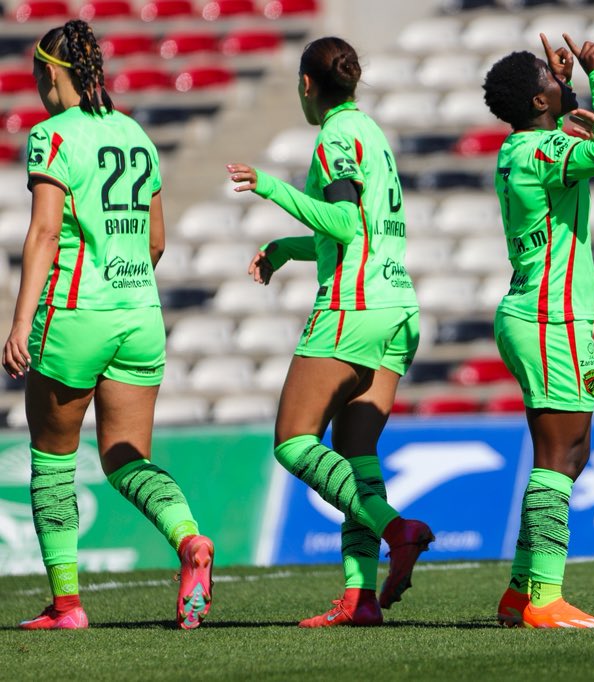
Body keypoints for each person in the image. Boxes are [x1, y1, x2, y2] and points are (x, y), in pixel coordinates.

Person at [2, 20, 214, 630]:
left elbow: (43, 232)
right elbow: (156, 241)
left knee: (52, 459)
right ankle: (188, 539)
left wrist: (20, 322)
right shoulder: (136, 134)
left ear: (49, 73)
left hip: (75, 317)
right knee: (126, 459)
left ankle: (67, 605)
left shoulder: (51, 138)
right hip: (140, 316)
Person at [227, 35, 431, 627]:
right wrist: (288, 249)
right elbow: (361, 229)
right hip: (398, 310)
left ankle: (398, 529)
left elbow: (343, 223)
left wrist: (271, 187)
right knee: (357, 453)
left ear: (307, 85)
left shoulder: (334, 137)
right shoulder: (371, 134)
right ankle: (359, 598)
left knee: (294, 441)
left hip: (354, 309)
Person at [482, 33, 594, 629]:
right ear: (540, 100)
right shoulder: (541, 151)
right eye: (550, 75)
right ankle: (545, 597)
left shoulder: (523, 148)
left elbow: (568, 132)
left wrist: (566, 90)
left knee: (568, 453)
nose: (558, 75)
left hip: (538, 313)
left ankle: (521, 591)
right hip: (550, 317)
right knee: (559, 454)